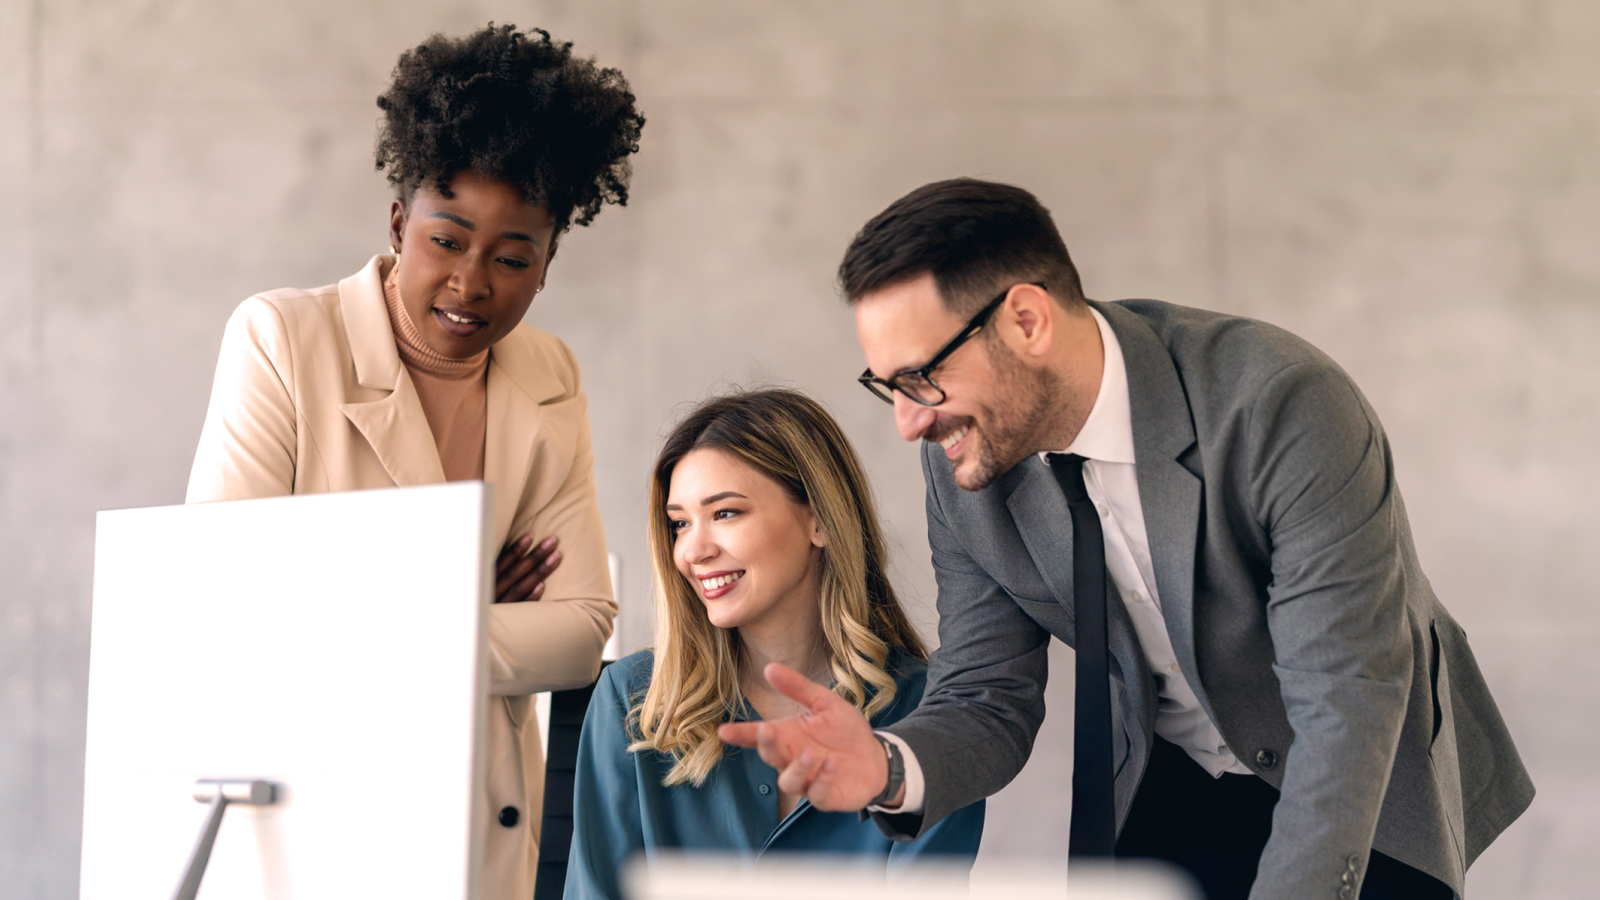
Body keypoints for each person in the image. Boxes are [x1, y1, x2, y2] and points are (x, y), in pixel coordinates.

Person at [720, 179, 1534, 900]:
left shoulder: (1281, 404)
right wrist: (889, 767)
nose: (907, 423)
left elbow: (1344, 702)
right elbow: (985, 693)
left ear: (1027, 320)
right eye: (885, 387)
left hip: (1359, 781)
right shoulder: (963, 464)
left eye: (920, 378)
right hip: (1169, 782)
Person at [185, 24, 644, 899]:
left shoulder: (549, 374)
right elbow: (231, 599)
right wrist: (471, 597)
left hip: (478, 830)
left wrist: (373, 616)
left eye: (513, 257)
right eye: (447, 240)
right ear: (400, 224)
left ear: (547, 266)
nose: (473, 283)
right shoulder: (283, 339)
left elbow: (580, 634)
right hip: (321, 815)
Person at [564, 389, 984, 900]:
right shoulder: (631, 701)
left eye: (725, 513)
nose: (693, 550)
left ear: (820, 520)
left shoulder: (933, 714)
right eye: (679, 523)